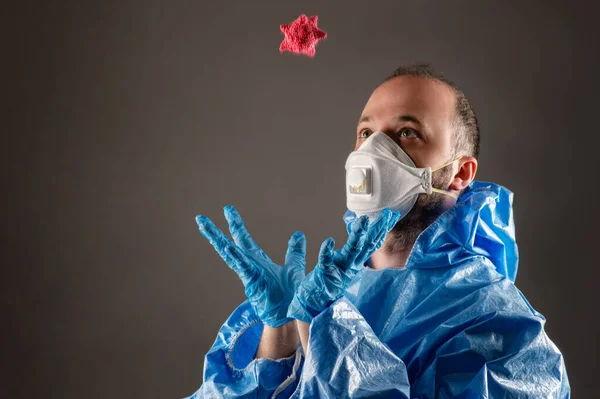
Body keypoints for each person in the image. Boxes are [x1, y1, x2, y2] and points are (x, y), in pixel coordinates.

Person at [187, 64, 570, 398]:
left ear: (460, 173)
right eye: (366, 133)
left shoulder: (506, 335)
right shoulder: (320, 299)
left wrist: (327, 329)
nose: (373, 153)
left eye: (406, 133)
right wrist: (280, 339)